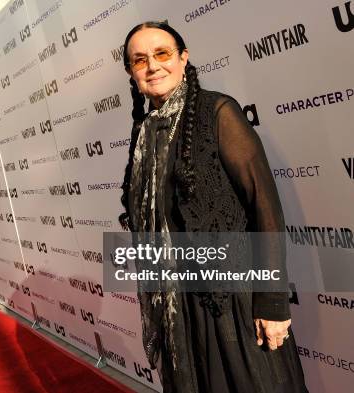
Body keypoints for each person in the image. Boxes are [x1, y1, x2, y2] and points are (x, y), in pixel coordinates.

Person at [119, 21, 307, 392]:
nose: (152, 66)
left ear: (183, 58)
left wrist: (272, 304)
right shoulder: (145, 132)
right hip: (180, 308)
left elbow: (264, 205)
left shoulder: (217, 112)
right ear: (131, 72)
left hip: (232, 301)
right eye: (140, 60)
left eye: (162, 54)